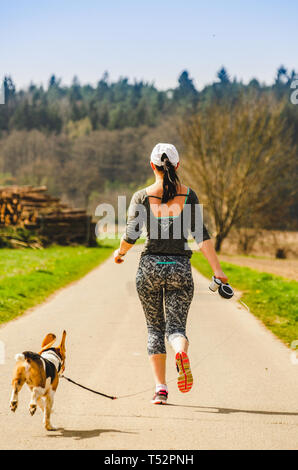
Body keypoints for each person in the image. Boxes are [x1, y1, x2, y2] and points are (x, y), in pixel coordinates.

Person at [114, 143, 228, 405]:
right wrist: (218, 272)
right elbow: (202, 236)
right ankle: (180, 350)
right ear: (177, 166)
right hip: (179, 268)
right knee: (176, 328)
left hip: (150, 268)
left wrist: (120, 253)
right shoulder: (189, 195)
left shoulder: (141, 196)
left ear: (151, 165)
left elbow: (131, 236)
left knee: (155, 328)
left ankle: (161, 389)